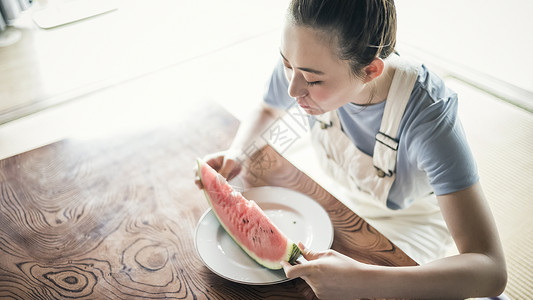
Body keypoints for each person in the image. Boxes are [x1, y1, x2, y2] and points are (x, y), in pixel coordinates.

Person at [195, 0, 507, 298]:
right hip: (337, 202)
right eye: (286, 64)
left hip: (410, 225)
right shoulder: (305, 59)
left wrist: (363, 281)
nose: (293, 89)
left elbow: (490, 269)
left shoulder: (429, 116)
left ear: (371, 71)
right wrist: (238, 152)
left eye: (313, 81)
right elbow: (268, 108)